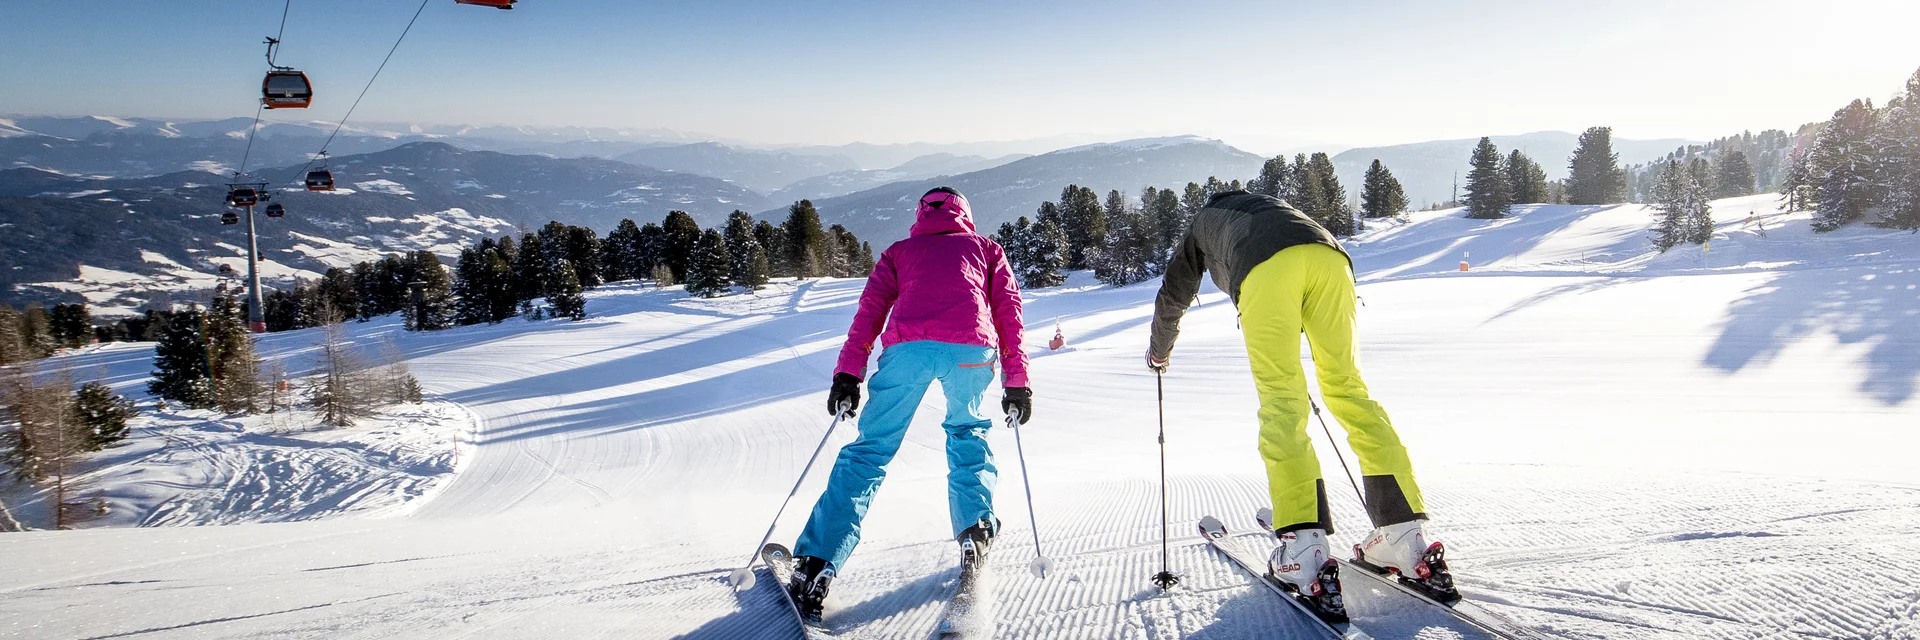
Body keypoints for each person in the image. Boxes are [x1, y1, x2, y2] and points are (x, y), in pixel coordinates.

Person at [1146, 190, 1454, 623]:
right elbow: (1298, 242)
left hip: (1267, 271)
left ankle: (1304, 551)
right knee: (1349, 389)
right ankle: (1406, 539)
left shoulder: (1202, 223)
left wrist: (1159, 352)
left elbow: (1174, 292)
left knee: (1282, 401)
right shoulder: (1267, 205)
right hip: (1331, 261)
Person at [786, 187, 1032, 620]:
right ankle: (975, 533)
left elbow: (870, 311)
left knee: (871, 451)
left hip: (908, 349)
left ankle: (817, 564)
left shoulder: (899, 252)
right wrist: (1017, 381)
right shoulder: (986, 249)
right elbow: (1008, 312)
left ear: (921, 214)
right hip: (971, 353)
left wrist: (849, 372)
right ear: (965, 213)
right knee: (967, 433)